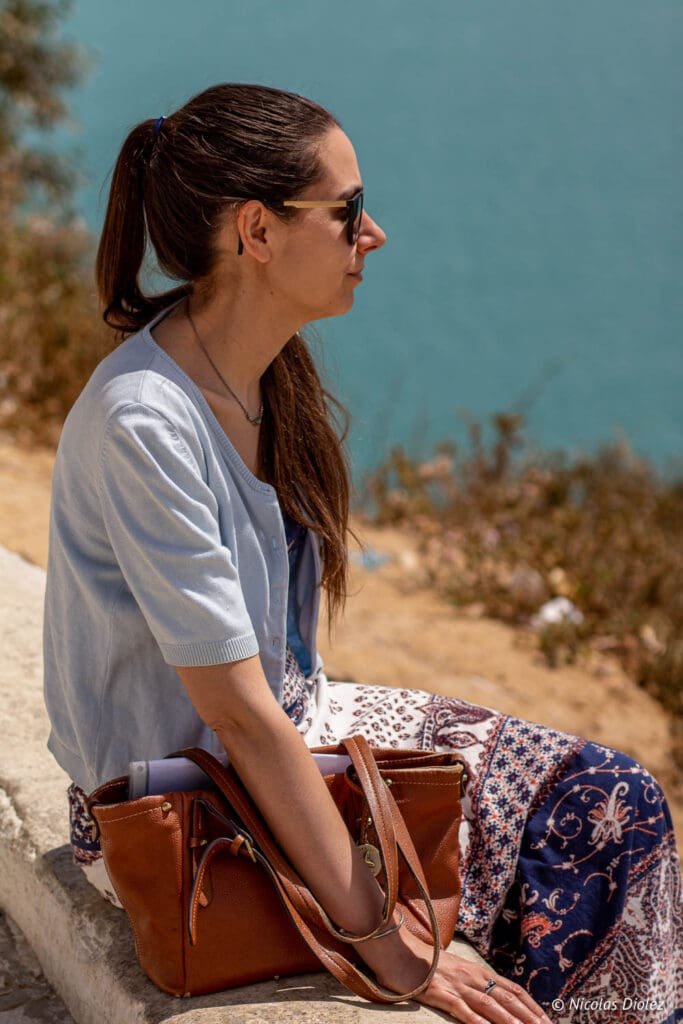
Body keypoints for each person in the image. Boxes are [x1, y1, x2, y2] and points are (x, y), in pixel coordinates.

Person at [43, 83, 682, 1023]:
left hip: (286, 734)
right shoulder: (147, 421)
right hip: (178, 806)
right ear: (255, 232)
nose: (371, 234)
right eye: (345, 212)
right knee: (602, 816)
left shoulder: (265, 372)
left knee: (608, 796)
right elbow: (239, 713)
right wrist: (387, 941)